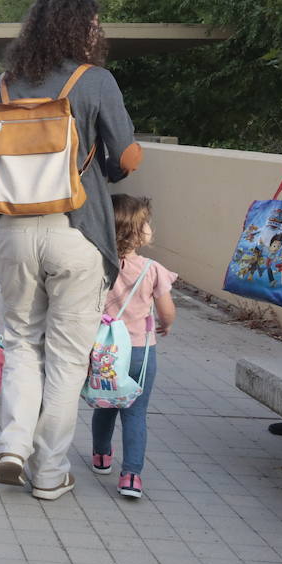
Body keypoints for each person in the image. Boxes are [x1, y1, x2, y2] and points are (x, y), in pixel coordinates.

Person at [0, 0, 142, 501]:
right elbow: (130, 156)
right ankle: (49, 471)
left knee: (22, 341)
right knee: (68, 359)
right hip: (78, 232)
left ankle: (12, 443)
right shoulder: (94, 81)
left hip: (13, 232)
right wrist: (108, 168)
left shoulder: (2, 85)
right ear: (83, 29)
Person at [90, 194, 177, 499]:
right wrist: (166, 324)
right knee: (135, 412)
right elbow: (167, 312)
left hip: (105, 351)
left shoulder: (99, 263)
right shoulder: (153, 269)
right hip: (140, 350)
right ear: (138, 231)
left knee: (106, 402)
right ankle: (131, 476)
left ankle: (101, 455)